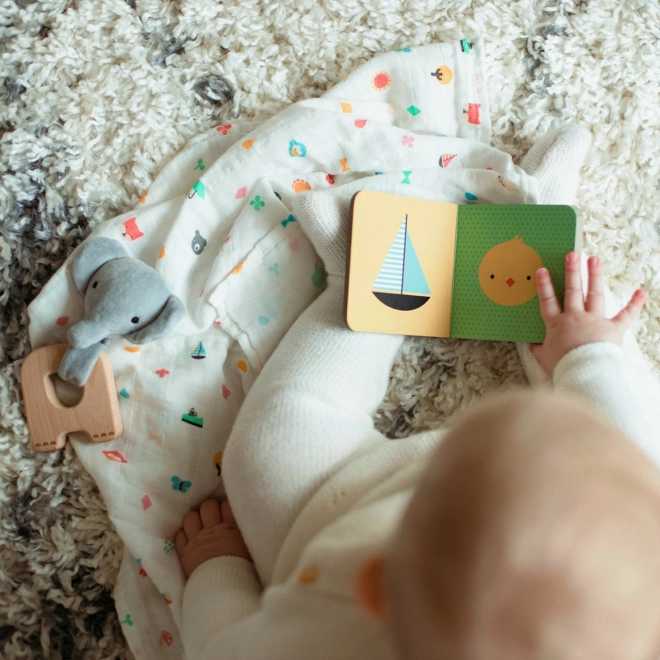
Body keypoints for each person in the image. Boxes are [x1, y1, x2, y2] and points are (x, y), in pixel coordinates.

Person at [175, 127, 660, 659]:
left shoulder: (317, 632)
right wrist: (589, 356)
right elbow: (634, 446)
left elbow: (219, 649)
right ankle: (549, 242)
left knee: (268, 450)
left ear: (374, 585)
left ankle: (361, 287)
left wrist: (216, 570)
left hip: (330, 516)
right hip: (600, 494)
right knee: (600, 378)